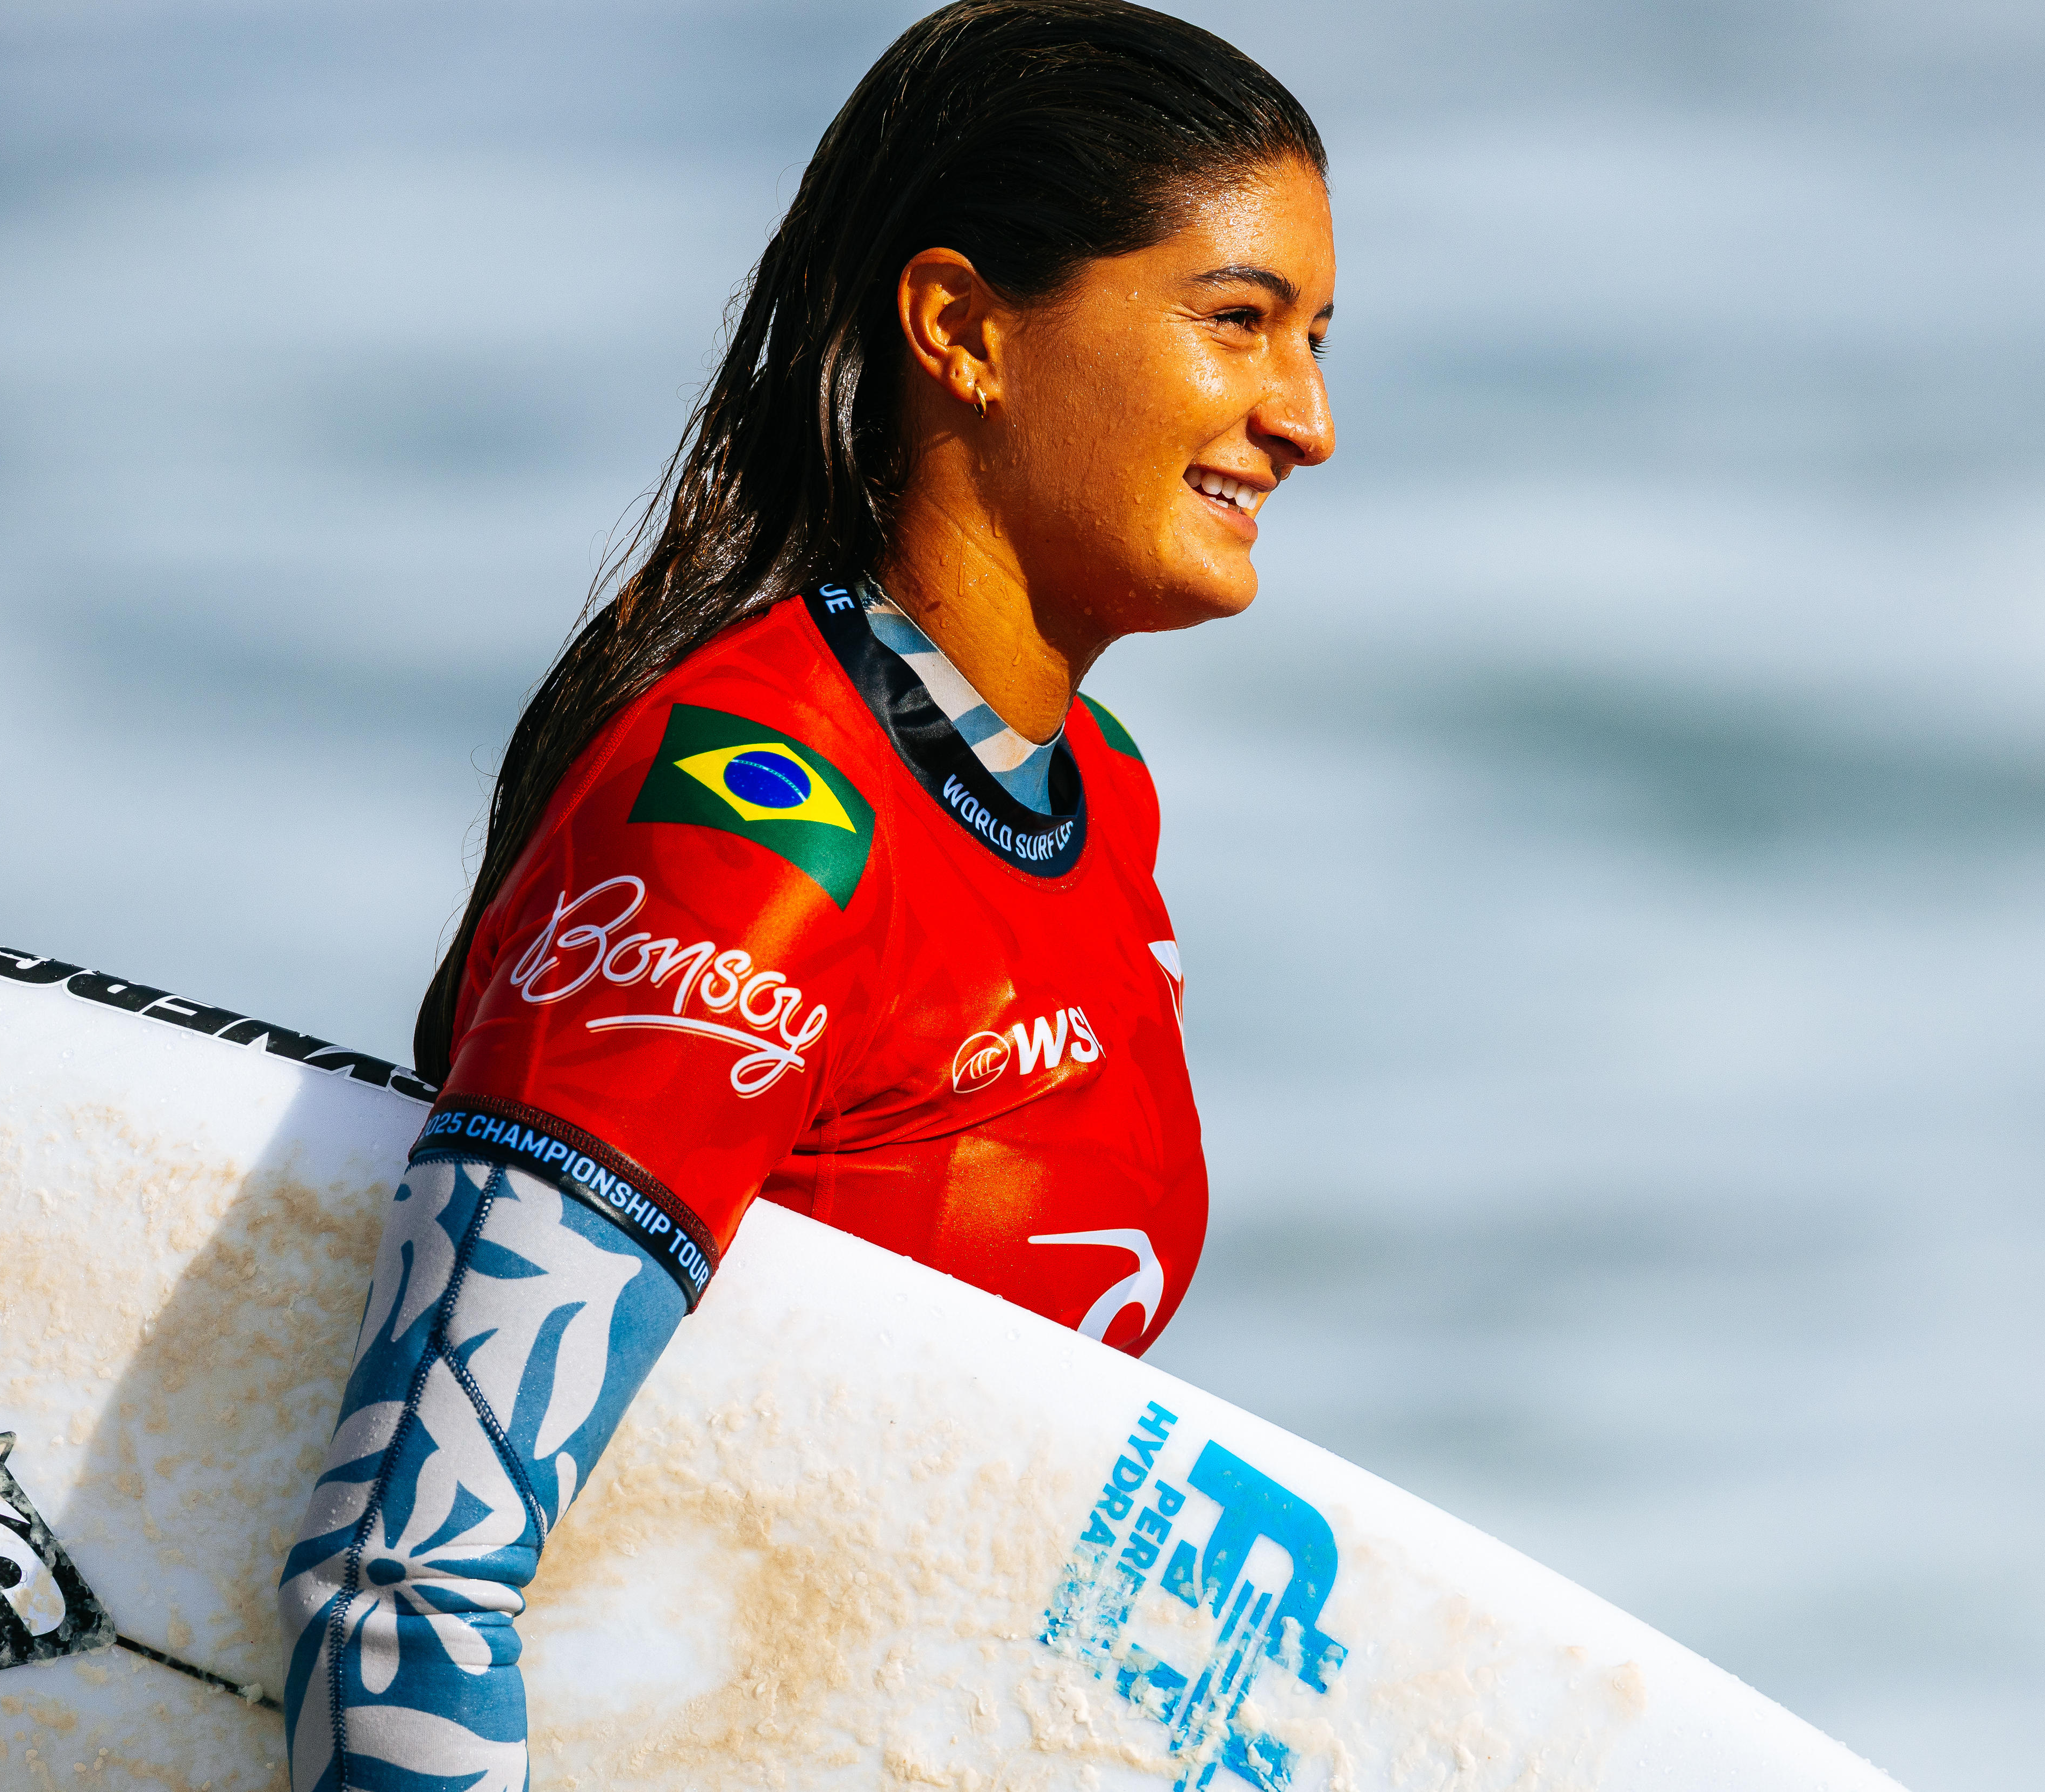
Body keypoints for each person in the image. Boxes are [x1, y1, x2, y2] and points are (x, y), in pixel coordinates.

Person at [276, 1, 1334, 1783]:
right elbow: (405, 1583)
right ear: (962, 329)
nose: (1303, 418)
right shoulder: (757, 835)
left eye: (1311, 337)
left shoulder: (1094, 805)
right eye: (1236, 322)